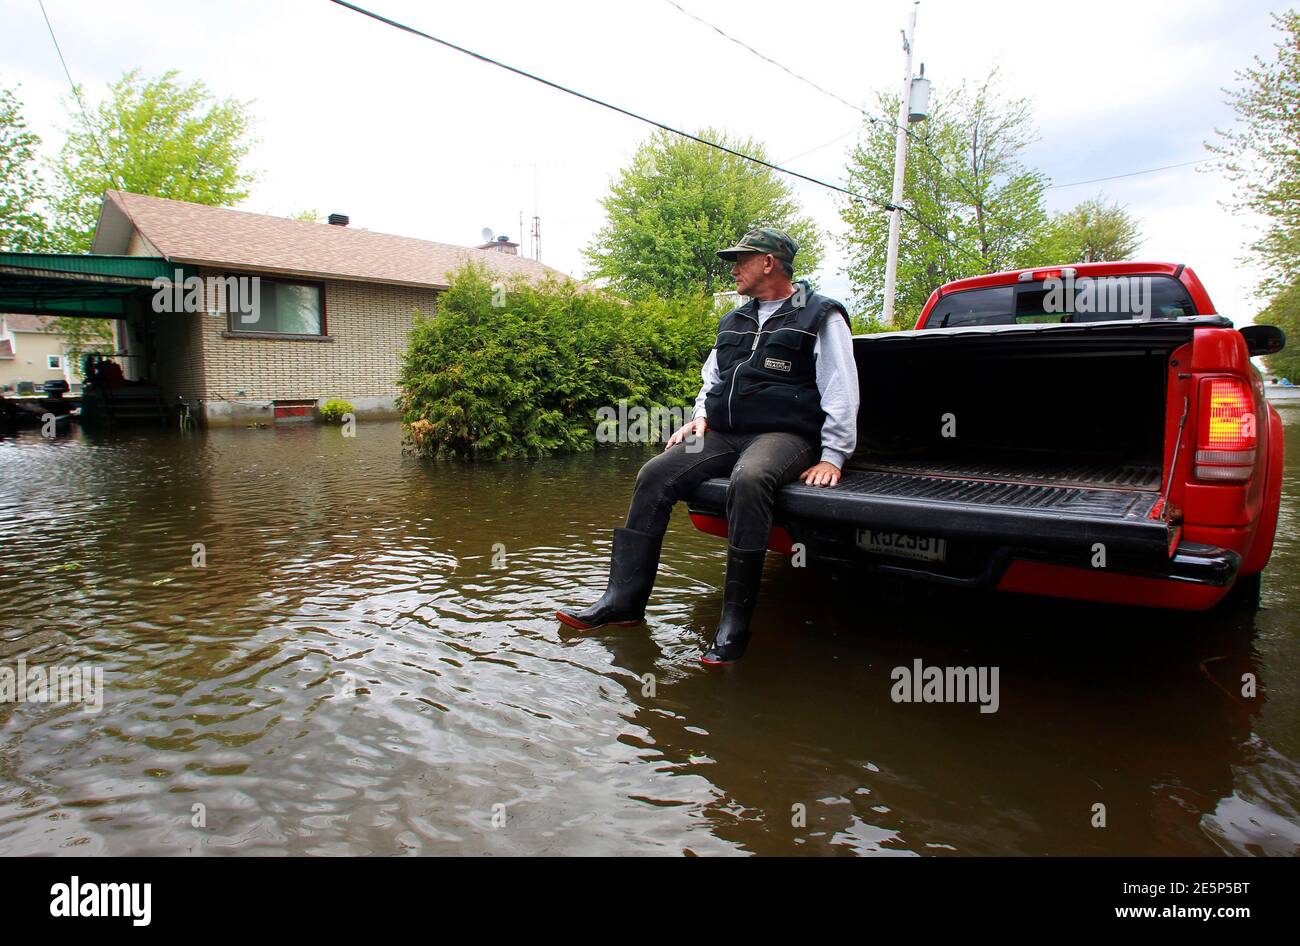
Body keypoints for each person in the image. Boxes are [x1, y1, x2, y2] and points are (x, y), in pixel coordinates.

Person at [555, 227, 860, 665]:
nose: (733, 269)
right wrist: (699, 418)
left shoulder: (819, 315)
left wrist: (833, 455)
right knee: (655, 473)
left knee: (750, 478)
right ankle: (622, 601)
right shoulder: (733, 320)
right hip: (724, 431)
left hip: (785, 435)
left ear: (769, 262)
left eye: (741, 260)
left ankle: (734, 624)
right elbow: (711, 381)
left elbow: (841, 389)